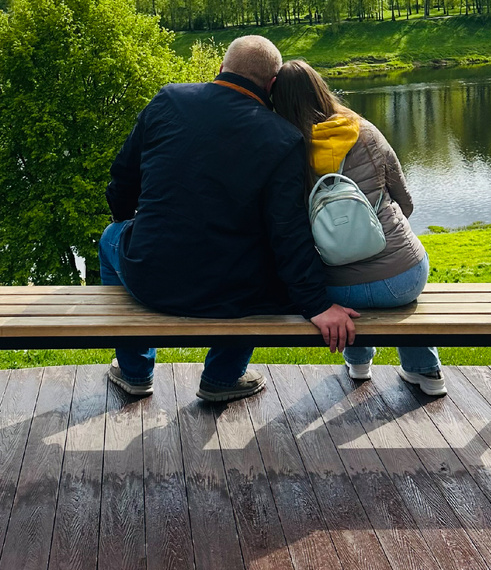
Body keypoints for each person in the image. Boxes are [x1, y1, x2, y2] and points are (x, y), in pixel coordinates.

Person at [100, 35, 358, 402]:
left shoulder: (168, 99)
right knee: (259, 259)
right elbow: (288, 233)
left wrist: (131, 226)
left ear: (220, 69)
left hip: (150, 276)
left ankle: (134, 371)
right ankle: (222, 378)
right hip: (234, 293)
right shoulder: (283, 138)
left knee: (111, 236)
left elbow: (121, 180)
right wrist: (316, 304)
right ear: (271, 86)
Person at [271, 59, 446, 396]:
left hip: (336, 287)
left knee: (346, 288)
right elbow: (405, 202)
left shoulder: (285, 147)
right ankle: (427, 373)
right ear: (321, 89)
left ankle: (359, 364)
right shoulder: (364, 132)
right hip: (402, 279)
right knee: (400, 295)